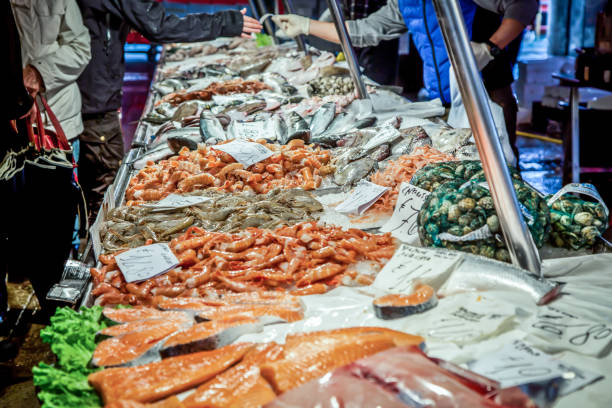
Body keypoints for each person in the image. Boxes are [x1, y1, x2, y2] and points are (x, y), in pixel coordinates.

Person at [273, 0, 538, 159]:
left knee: (502, 173)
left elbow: (524, 5)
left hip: (488, 95)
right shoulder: (403, 3)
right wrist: (306, 26)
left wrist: (490, 47)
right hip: (443, 99)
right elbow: (365, 31)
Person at [76, 1, 262, 225]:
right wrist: (226, 22)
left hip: (91, 91)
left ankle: (92, 235)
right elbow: (157, 24)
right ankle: (98, 244)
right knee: (104, 187)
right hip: (92, 95)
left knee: (95, 177)